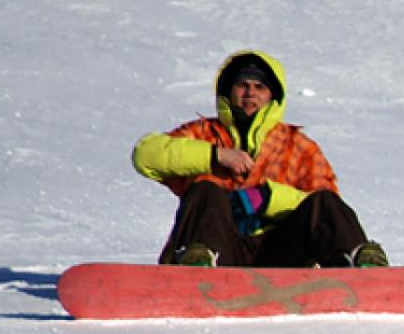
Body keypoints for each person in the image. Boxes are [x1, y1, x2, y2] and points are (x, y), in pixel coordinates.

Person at [132, 49, 388, 268]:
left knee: (325, 201)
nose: (250, 94)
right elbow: (146, 156)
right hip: (221, 250)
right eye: (242, 85)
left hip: (283, 254)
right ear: (228, 91)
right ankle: (197, 265)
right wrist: (215, 156)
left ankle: (360, 264)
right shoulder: (203, 134)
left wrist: (268, 198)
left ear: (272, 96)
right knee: (205, 190)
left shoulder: (299, 147)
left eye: (259, 87)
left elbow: (325, 212)